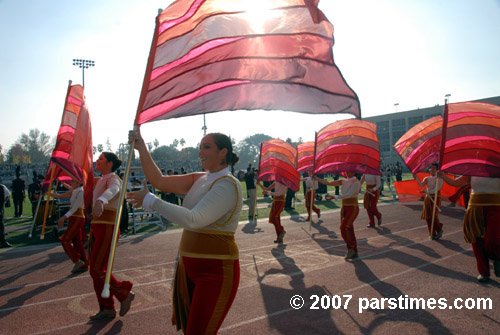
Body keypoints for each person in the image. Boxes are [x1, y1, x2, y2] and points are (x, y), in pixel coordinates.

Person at [127, 130, 242, 334]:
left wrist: (151, 201)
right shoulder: (201, 178)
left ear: (223, 152)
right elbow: (159, 181)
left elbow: (194, 220)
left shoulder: (227, 184)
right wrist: (141, 148)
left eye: (206, 147)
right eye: (200, 147)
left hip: (215, 273)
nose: (200, 152)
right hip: (189, 269)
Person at [88, 152, 134, 321]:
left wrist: (101, 200)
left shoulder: (113, 178)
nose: (97, 161)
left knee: (97, 270)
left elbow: (114, 190)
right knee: (96, 271)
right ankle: (106, 307)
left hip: (108, 228)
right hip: (97, 227)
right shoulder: (101, 179)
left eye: (101, 159)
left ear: (109, 163)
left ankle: (123, 293)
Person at [439, 173, 500, 283]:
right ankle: (483, 272)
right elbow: (456, 183)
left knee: (493, 239)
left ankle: (496, 258)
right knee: (476, 240)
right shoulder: (473, 170)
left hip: (495, 207)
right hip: (474, 208)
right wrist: (443, 176)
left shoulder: (497, 168)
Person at [315, 172, 361, 260]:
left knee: (344, 227)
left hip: (352, 208)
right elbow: (328, 183)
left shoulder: (356, 182)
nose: (347, 172)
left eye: (349, 170)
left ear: (354, 171)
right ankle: (353, 250)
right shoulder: (343, 181)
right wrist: (316, 178)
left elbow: (349, 195)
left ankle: (351, 248)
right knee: (349, 229)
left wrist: (335, 197)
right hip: (344, 208)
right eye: (346, 170)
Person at [51, 178, 88, 274]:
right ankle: (84, 264)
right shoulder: (75, 190)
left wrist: (63, 218)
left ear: (79, 182)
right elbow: (59, 195)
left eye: (73, 181)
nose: (71, 183)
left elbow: (75, 208)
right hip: (74, 217)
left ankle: (77, 260)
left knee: (65, 240)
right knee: (77, 242)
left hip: (77, 217)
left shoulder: (81, 192)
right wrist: (46, 194)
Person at [414, 163, 444, 240]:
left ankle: (439, 229)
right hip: (428, 198)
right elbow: (421, 185)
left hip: (435, 197)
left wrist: (426, 192)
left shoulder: (439, 179)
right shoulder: (427, 178)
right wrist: (416, 178)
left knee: (433, 215)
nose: (432, 169)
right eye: (431, 168)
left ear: (437, 170)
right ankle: (432, 233)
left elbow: (436, 189)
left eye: (434, 168)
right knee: (428, 216)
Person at [1, 182, 12, 248]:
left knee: (1, 226)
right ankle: (3, 242)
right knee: (1, 226)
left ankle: (3, 241)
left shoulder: (2, 187)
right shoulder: (2, 187)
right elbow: (7, 195)